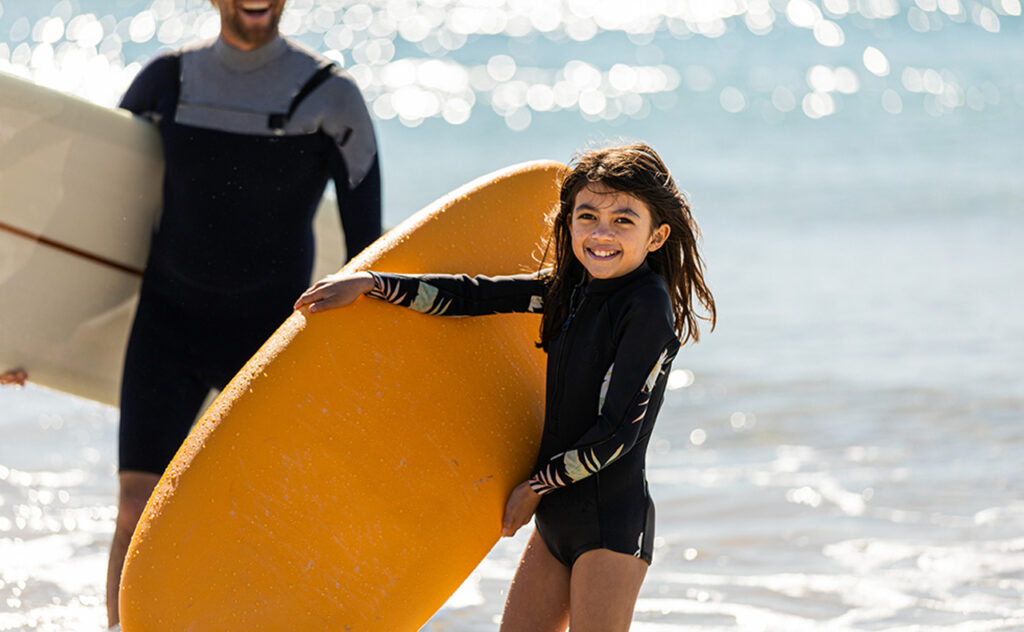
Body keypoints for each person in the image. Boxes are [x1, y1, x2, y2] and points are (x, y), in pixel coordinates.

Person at [294, 142, 715, 631]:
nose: (602, 233)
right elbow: (473, 295)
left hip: (611, 524)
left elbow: (619, 432)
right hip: (557, 520)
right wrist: (373, 284)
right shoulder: (569, 292)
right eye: (587, 216)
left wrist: (536, 486)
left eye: (623, 220)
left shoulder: (646, 308)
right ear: (569, 222)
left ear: (656, 235)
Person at [106, 0, 381, 627]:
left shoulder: (332, 96)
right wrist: (32, 336)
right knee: (135, 509)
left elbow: (368, 253)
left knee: (258, 520)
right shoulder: (167, 81)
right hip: (167, 323)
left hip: (266, 337)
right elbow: (100, 210)